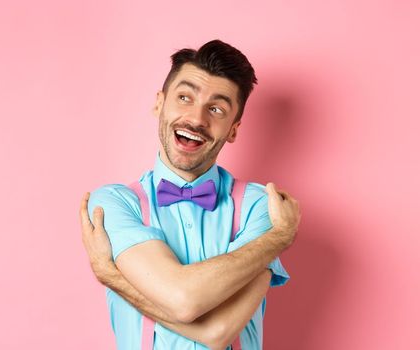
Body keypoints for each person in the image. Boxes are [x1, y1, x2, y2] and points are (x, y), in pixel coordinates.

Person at [78, 40, 301, 350]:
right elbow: (185, 301)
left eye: (217, 109)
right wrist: (278, 239)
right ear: (160, 103)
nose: (197, 119)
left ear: (234, 129)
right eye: (184, 98)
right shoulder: (113, 204)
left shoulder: (261, 206)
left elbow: (218, 331)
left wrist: (111, 275)